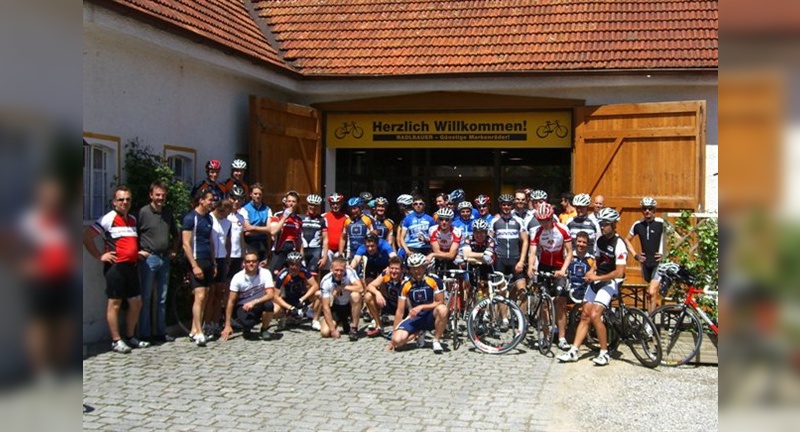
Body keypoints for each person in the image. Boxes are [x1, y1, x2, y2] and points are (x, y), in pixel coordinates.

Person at [82, 185, 150, 353]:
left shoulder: (132, 219)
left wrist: (138, 253)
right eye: (121, 199)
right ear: (114, 202)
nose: (124, 202)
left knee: (136, 303)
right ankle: (116, 340)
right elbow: (86, 237)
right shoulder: (108, 218)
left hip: (132, 267)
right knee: (115, 304)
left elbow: (129, 243)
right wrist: (100, 256)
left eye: (127, 199)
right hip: (116, 268)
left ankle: (130, 336)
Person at [558, 207, 627, 366]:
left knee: (595, 315)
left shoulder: (619, 244)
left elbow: (619, 272)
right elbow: (597, 261)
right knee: (585, 315)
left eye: (606, 224)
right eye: (601, 223)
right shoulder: (599, 240)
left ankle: (604, 353)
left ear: (614, 225)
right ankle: (574, 350)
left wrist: (598, 276)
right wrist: (591, 271)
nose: (602, 226)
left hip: (610, 282)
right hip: (596, 280)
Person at [136, 180, 180, 343]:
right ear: (151, 195)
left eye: (163, 195)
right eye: (157, 195)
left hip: (164, 258)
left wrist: (174, 250)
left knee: (161, 298)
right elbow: (134, 233)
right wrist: (137, 252)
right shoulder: (143, 212)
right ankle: (145, 334)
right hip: (149, 258)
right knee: (146, 297)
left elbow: (176, 234)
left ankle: (160, 332)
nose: (161, 198)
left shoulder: (167, 213)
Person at [527, 202, 573, 350]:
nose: (544, 223)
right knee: (544, 303)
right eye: (541, 220)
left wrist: (564, 270)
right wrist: (531, 266)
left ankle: (561, 337)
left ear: (552, 217)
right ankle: (546, 336)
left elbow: (570, 252)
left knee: (560, 302)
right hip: (545, 266)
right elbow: (533, 252)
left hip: (559, 266)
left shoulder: (562, 229)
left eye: (546, 220)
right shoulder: (537, 231)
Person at [388, 253, 448, 353]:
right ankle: (418, 332)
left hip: (431, 316)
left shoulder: (434, 280)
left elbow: (440, 302)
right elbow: (400, 311)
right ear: (410, 270)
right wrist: (394, 336)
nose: (417, 271)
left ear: (424, 267)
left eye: (419, 268)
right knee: (397, 341)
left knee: (443, 309)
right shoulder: (406, 284)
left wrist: (421, 307)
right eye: (413, 268)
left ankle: (436, 340)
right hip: (414, 317)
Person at [181, 188, 217, 347]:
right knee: (199, 296)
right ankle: (199, 331)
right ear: (201, 200)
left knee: (206, 296)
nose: (212, 202)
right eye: (210, 199)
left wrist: (214, 262)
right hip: (196, 259)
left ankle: (194, 329)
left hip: (208, 259)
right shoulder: (190, 218)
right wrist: (194, 266)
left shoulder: (209, 218)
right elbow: (185, 244)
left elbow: (210, 240)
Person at [220, 250, 277, 341]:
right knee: (248, 323)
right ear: (244, 263)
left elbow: (270, 294)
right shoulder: (237, 277)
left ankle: (264, 329)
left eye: (254, 261)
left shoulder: (265, 273)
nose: (251, 264)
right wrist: (227, 325)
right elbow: (231, 301)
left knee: (269, 305)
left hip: (259, 303)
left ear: (258, 263)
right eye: (248, 262)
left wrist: (254, 302)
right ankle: (247, 328)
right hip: (244, 306)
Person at [624, 197, 666, 313]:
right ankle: (650, 322)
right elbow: (627, 240)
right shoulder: (638, 225)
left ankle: (650, 324)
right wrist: (635, 255)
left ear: (654, 210)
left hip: (659, 264)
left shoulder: (661, 223)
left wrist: (665, 254)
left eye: (650, 209)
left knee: (651, 292)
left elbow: (676, 238)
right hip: (645, 263)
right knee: (649, 294)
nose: (647, 211)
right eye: (644, 209)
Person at [492, 193, 528, 319]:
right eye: (504, 204)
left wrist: (522, 260)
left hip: (515, 259)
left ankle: (522, 320)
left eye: (508, 204)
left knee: (522, 290)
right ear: (500, 206)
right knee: (501, 291)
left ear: (512, 206)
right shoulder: (495, 221)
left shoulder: (519, 221)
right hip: (500, 260)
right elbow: (490, 240)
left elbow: (525, 241)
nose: (506, 207)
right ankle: (504, 318)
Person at [272, 251, 320, 331]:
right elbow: (275, 296)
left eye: (297, 264)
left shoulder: (304, 271)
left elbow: (315, 286)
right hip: (287, 300)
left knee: (319, 294)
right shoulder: (283, 275)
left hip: (300, 298)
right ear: (288, 264)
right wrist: (290, 308)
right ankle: (284, 317)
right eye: (292, 264)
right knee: (275, 310)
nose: (295, 267)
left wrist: (303, 299)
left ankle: (315, 320)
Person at [319, 257, 364, 341]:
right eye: (336, 270)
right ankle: (339, 322)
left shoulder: (350, 272)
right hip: (336, 306)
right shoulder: (325, 281)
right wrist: (332, 330)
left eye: (341, 270)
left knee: (356, 295)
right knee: (325, 333)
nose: (339, 273)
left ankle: (354, 328)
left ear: (345, 269)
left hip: (348, 305)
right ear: (331, 269)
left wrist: (342, 287)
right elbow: (326, 307)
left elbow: (360, 288)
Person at [205, 199, 232, 338]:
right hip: (211, 258)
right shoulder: (210, 218)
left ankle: (216, 323)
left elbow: (228, 241)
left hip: (222, 258)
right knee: (211, 293)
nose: (226, 216)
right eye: (225, 213)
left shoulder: (227, 222)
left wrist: (227, 260)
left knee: (220, 293)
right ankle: (207, 323)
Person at [364, 256, 406, 337]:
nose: (393, 271)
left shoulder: (406, 279)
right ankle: (379, 326)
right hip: (390, 304)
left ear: (402, 270)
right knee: (368, 296)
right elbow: (370, 286)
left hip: (404, 308)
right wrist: (377, 293)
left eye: (397, 269)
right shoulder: (385, 274)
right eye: (392, 268)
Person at [268, 190, 304, 275]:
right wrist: (285, 217)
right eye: (289, 201)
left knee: (293, 276)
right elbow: (273, 232)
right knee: (274, 275)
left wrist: (302, 255)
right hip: (279, 250)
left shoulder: (298, 219)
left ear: (297, 203)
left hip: (293, 251)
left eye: (293, 201)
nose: (291, 204)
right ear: (285, 202)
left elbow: (299, 239)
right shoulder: (278, 215)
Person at [300, 194, 328, 282]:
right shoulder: (300, 218)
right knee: (301, 278)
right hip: (302, 250)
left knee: (313, 280)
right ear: (307, 205)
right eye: (311, 204)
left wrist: (324, 257)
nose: (312, 207)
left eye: (315, 205)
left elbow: (326, 239)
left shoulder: (322, 220)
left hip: (315, 251)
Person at [242, 183, 273, 261]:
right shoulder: (245, 209)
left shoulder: (267, 209)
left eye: (260, 194)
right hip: (250, 244)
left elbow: (270, 229)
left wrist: (253, 228)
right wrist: (264, 230)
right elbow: (247, 231)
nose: (258, 196)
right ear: (250, 194)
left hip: (263, 244)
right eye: (255, 194)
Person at [225, 185, 248, 281]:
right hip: (225, 255)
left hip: (238, 255)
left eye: (239, 199)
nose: (236, 202)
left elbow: (242, 238)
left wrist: (244, 255)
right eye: (234, 199)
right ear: (229, 198)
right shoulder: (223, 215)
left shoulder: (241, 217)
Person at [323, 193, 347, 265]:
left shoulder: (347, 218)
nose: (335, 206)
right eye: (333, 204)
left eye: (337, 203)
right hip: (327, 250)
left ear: (341, 204)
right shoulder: (324, 217)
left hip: (341, 251)